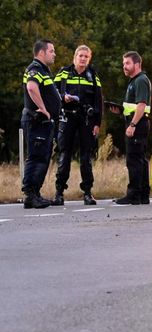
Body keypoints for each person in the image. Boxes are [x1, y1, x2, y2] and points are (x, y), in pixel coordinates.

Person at [53, 45, 103, 206]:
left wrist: (97, 123)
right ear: (75, 57)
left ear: (89, 59)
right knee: (64, 155)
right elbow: (52, 92)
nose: (83, 59)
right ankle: (59, 193)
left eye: (86, 57)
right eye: (80, 55)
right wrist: (63, 97)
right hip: (67, 118)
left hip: (86, 121)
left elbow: (98, 102)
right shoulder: (63, 73)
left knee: (86, 157)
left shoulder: (93, 76)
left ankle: (87, 193)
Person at [21, 39, 62, 209]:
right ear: (42, 53)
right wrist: (43, 108)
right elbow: (31, 87)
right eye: (51, 51)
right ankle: (30, 194)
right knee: (37, 158)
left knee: (42, 158)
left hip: (44, 123)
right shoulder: (35, 69)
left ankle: (36, 193)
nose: (54, 54)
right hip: (37, 121)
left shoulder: (44, 71)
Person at [111, 51, 152, 205]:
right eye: (124, 64)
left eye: (127, 63)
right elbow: (134, 106)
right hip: (137, 122)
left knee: (134, 160)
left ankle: (134, 194)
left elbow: (141, 105)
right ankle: (143, 195)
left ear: (137, 64)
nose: (124, 67)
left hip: (137, 124)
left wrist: (132, 125)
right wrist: (121, 111)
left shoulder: (140, 80)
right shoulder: (135, 81)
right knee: (140, 160)